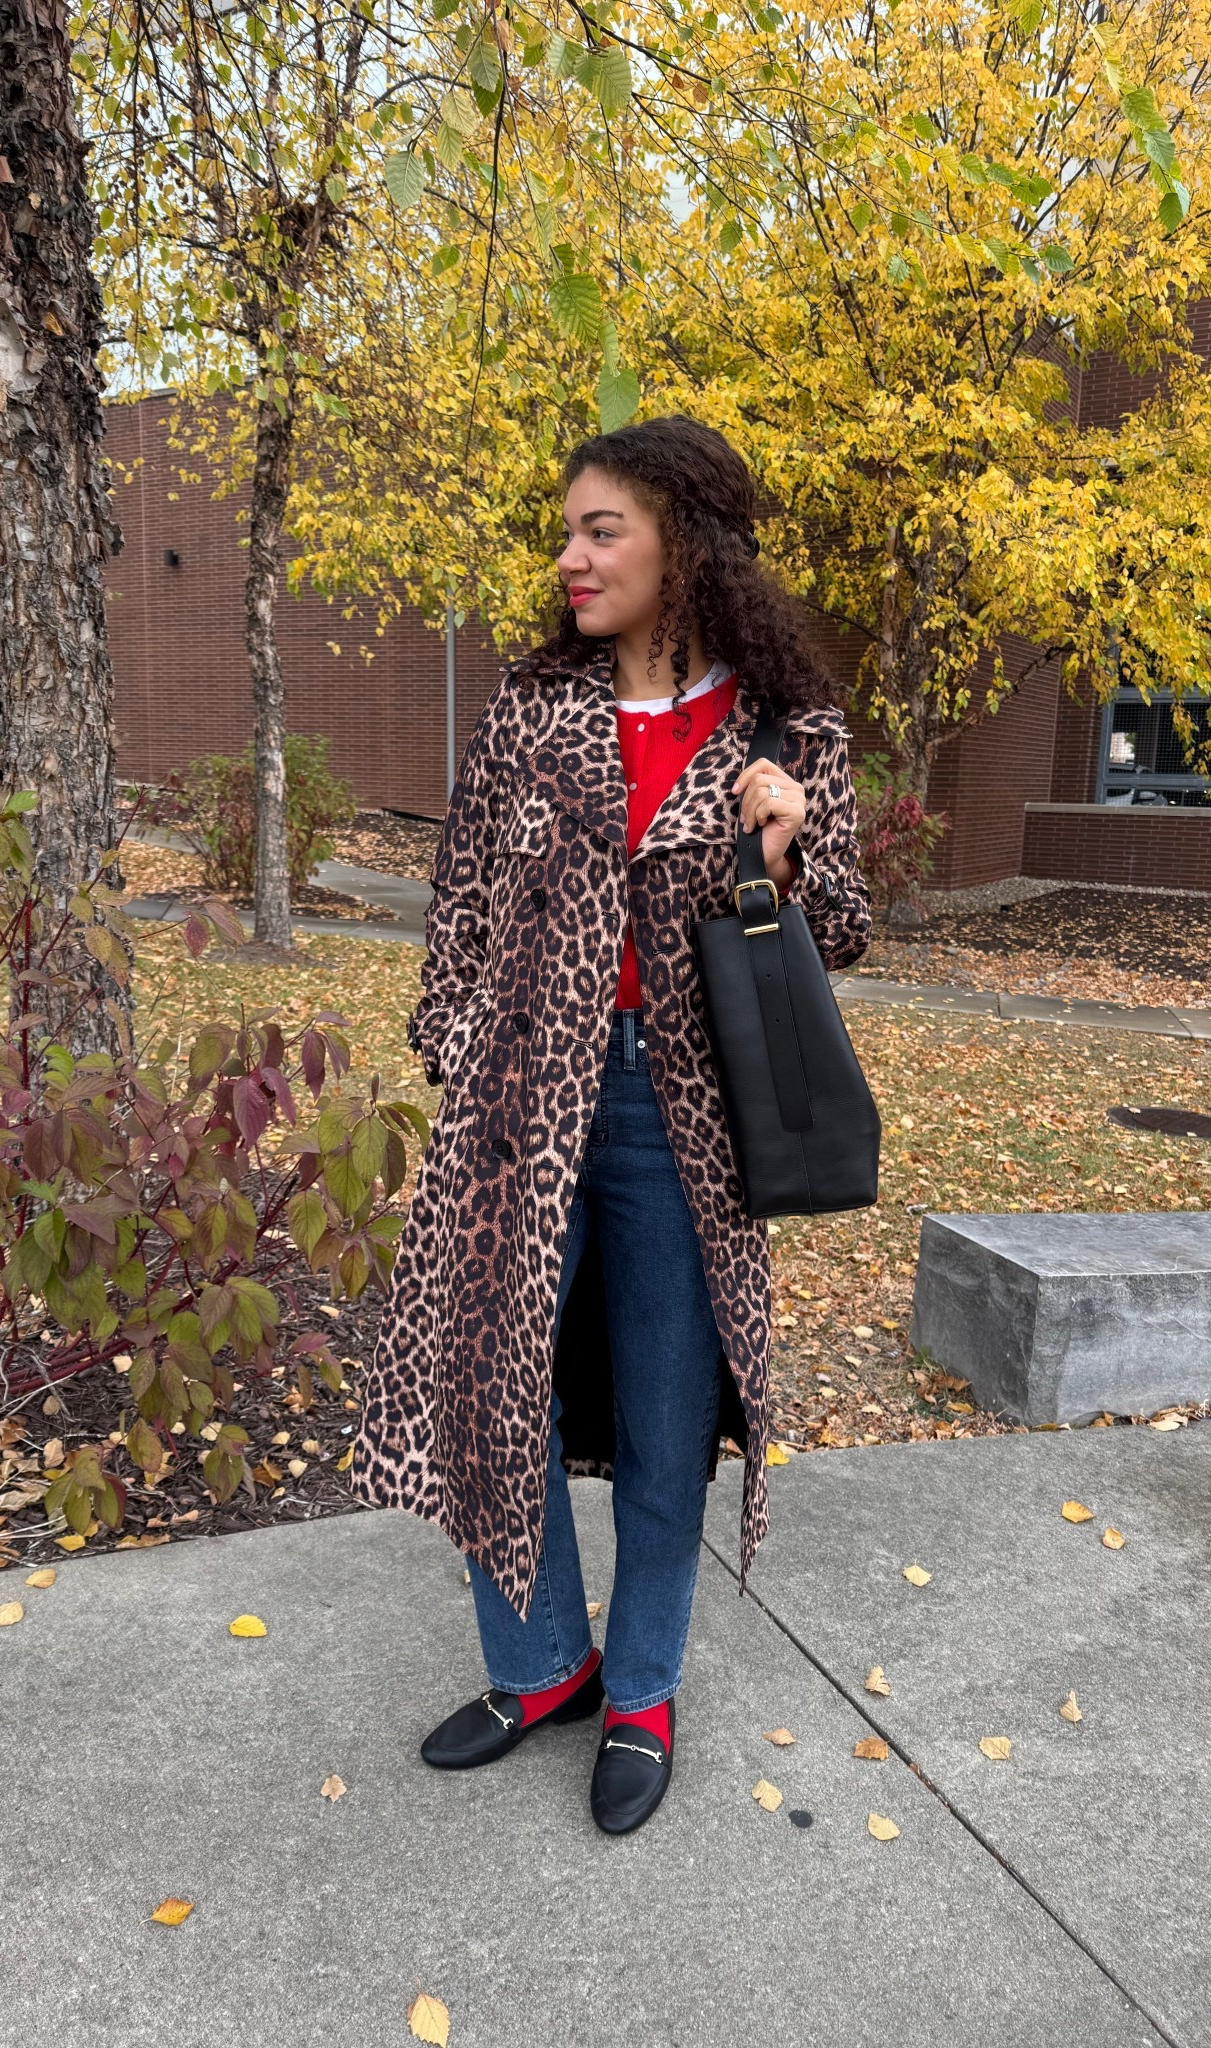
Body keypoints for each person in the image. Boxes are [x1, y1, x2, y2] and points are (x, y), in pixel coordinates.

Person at [348, 414, 873, 1835]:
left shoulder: (785, 723)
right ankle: (540, 1665)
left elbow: (845, 931)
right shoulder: (532, 707)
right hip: (521, 1100)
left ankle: (639, 1689)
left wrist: (793, 840)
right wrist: (459, 1047)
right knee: (488, 1390)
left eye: (603, 530)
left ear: (683, 544)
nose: (571, 557)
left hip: (683, 1115)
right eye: (568, 530)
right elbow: (459, 900)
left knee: (662, 1410)